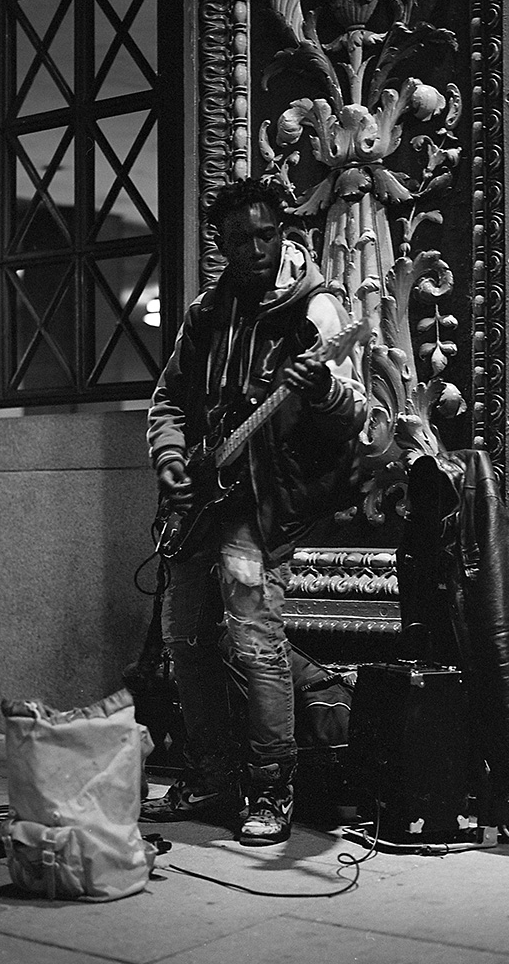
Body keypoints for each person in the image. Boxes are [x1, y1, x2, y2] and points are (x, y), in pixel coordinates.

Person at [140, 178, 366, 845]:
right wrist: (172, 459)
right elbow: (168, 402)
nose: (260, 248)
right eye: (243, 239)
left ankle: (272, 788)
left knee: (251, 638)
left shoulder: (315, 310)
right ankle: (211, 777)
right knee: (185, 641)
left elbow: (357, 412)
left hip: (260, 503)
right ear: (221, 243)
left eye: (269, 234)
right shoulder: (206, 315)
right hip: (199, 498)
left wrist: (321, 384)